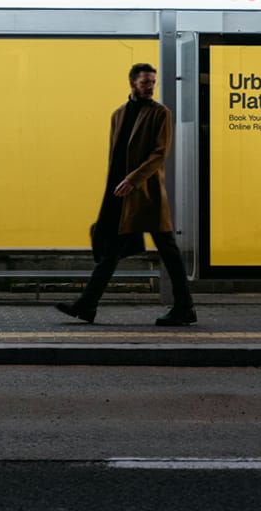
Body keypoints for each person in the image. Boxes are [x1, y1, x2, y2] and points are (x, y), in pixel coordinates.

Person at [56, 63, 196, 326]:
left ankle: (184, 307)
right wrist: (115, 188)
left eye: (152, 82)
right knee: (111, 250)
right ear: (132, 82)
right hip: (121, 194)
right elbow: (115, 157)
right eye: (145, 82)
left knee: (167, 249)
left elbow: (159, 154)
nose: (150, 87)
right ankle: (87, 305)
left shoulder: (160, 113)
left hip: (146, 194)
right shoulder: (118, 114)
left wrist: (133, 180)